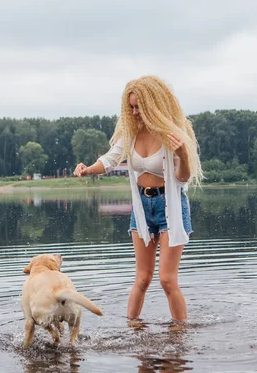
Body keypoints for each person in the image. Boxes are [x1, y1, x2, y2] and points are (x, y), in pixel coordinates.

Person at [73, 75, 203, 322]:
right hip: (142, 208)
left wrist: (183, 155)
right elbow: (110, 159)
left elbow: (183, 178)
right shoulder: (130, 134)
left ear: (153, 106)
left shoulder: (172, 134)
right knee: (142, 278)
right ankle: (131, 328)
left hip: (170, 207)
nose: (133, 112)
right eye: (130, 107)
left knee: (167, 279)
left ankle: (180, 334)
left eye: (138, 107)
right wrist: (88, 169)